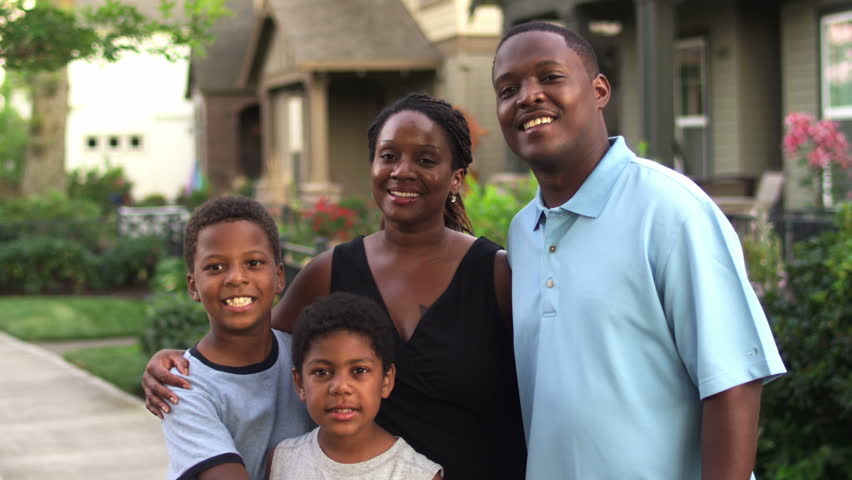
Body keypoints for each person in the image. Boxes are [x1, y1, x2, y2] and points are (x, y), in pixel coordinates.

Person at [142, 93, 527, 480]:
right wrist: (176, 360)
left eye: (425, 160)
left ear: (456, 177)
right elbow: (251, 339)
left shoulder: (495, 274)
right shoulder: (329, 273)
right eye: (389, 156)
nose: (402, 171)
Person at [492, 21, 787, 479]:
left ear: (600, 90)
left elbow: (733, 383)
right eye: (508, 88)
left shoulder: (670, 210)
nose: (528, 96)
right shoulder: (523, 234)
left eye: (550, 77)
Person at [160, 196, 313, 480]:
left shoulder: (306, 358)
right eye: (216, 267)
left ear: (280, 276)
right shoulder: (183, 386)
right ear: (193, 286)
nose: (236, 278)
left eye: (253, 263)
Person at [268, 292, 442, 480]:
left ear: (386, 380)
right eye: (322, 372)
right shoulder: (282, 460)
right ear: (300, 383)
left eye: (359, 370)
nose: (341, 387)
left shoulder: (418, 475)